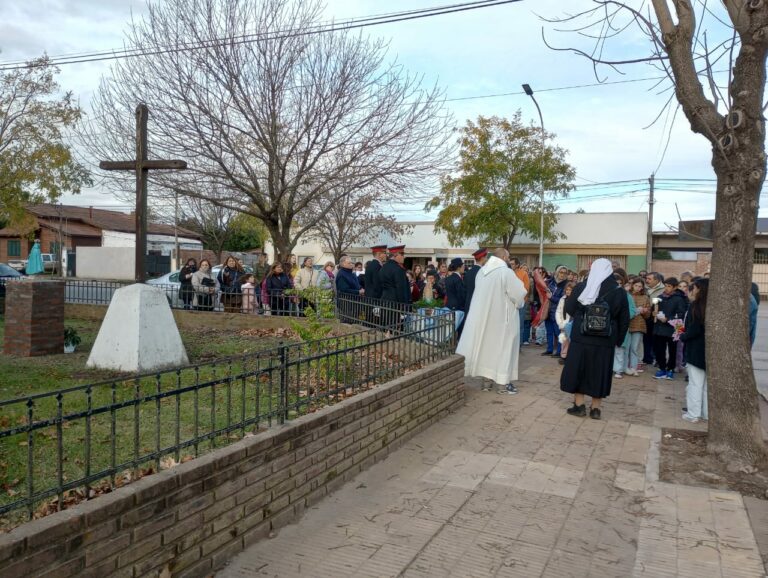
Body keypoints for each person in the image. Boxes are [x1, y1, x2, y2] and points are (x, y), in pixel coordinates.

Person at [560, 259, 630, 420]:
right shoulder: (618, 291)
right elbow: (624, 318)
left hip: (582, 337)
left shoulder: (582, 287)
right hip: (605, 340)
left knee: (579, 370)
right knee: (599, 372)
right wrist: (618, 340)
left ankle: (579, 405)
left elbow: (569, 308)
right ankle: (596, 408)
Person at [456, 248, 527, 395]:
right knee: (503, 350)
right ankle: (503, 384)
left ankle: (486, 383)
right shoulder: (505, 272)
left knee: (487, 349)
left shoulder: (481, 272)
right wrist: (519, 303)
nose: (509, 260)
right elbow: (519, 294)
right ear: (503, 257)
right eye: (508, 257)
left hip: (485, 319)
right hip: (503, 321)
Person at [680, 279, 709, 422]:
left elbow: (693, 329)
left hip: (695, 349)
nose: (693, 290)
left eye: (695, 288)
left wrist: (683, 336)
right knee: (705, 386)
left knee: (695, 384)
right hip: (708, 350)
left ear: (700, 290)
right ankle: (706, 413)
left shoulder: (695, 306)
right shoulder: (712, 306)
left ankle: (693, 414)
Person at [652, 277, 688, 380]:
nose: (666, 288)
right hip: (659, 328)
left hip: (673, 329)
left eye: (669, 286)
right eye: (665, 286)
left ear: (675, 287)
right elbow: (654, 310)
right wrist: (654, 313)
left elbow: (681, 314)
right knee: (659, 350)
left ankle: (670, 369)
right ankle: (662, 368)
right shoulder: (659, 297)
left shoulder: (679, 299)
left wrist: (668, 319)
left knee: (673, 350)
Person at [612, 269, 636, 380]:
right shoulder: (608, 294)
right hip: (611, 326)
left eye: (620, 283)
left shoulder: (627, 296)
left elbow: (632, 310)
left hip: (621, 325)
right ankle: (611, 368)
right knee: (611, 349)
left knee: (620, 349)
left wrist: (624, 316)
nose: (618, 285)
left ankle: (619, 369)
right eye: (616, 283)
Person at [379, 245, 411, 330]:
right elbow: (400, 289)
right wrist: (404, 305)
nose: (404, 257)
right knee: (394, 329)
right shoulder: (398, 269)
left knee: (386, 327)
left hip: (385, 299)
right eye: (402, 254)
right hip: (395, 302)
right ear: (396, 255)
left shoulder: (383, 267)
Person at [627, 277, 651, 376]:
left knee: (634, 348)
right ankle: (625, 366)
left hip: (639, 324)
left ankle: (634, 367)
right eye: (636, 285)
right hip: (627, 323)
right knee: (626, 348)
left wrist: (645, 311)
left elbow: (647, 315)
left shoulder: (645, 297)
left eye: (640, 286)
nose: (638, 288)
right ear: (632, 285)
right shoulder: (627, 295)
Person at [544, 266, 568, 357]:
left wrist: (551, 298)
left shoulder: (566, 285)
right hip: (548, 311)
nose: (562, 274)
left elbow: (563, 299)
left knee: (558, 333)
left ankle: (559, 352)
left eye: (564, 273)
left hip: (558, 312)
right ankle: (549, 349)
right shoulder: (551, 283)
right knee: (549, 332)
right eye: (561, 272)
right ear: (557, 272)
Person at [643, 272, 665, 365]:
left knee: (656, 339)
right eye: (646, 278)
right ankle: (647, 358)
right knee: (646, 338)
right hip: (646, 316)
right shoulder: (644, 289)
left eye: (649, 279)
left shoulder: (663, 289)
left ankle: (657, 358)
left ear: (657, 280)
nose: (646, 280)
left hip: (658, 317)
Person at [510, 257, 531, 347]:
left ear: (517, 265)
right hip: (510, 302)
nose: (511, 265)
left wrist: (519, 298)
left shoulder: (523, 274)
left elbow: (526, 288)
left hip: (521, 302)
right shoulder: (509, 273)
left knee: (520, 324)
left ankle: (518, 345)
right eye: (510, 264)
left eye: (513, 264)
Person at [555, 281, 576, 364]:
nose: (568, 291)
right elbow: (558, 311)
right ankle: (563, 356)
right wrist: (560, 323)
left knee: (570, 341)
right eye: (567, 290)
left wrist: (566, 323)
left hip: (570, 324)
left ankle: (571, 357)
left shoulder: (575, 300)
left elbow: (572, 314)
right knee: (563, 340)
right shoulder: (562, 299)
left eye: (570, 290)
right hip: (562, 324)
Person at [444, 257, 466, 330]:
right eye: (463, 266)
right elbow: (461, 296)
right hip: (458, 308)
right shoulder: (458, 279)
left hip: (449, 306)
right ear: (459, 267)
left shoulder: (448, 279)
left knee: (449, 328)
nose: (464, 268)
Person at [464, 248, 488, 314]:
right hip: (478, 306)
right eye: (486, 257)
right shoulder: (483, 272)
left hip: (468, 305)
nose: (487, 259)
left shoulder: (468, 272)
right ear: (483, 258)